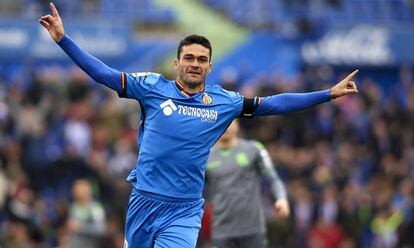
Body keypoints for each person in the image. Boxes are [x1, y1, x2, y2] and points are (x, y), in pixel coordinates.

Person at [38, 3, 359, 247]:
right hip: (144, 200)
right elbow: (104, 74)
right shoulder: (150, 87)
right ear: (177, 62)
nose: (194, 64)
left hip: (184, 209)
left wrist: (327, 94)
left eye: (201, 59)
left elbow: (274, 103)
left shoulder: (225, 103)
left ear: (209, 66)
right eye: (189, 58)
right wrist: (64, 41)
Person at [205, 120, 290, 248]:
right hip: (221, 231)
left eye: (230, 121)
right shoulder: (205, 156)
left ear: (237, 125)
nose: (226, 126)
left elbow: (273, 178)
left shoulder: (254, 149)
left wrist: (281, 198)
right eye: (222, 121)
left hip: (252, 230)